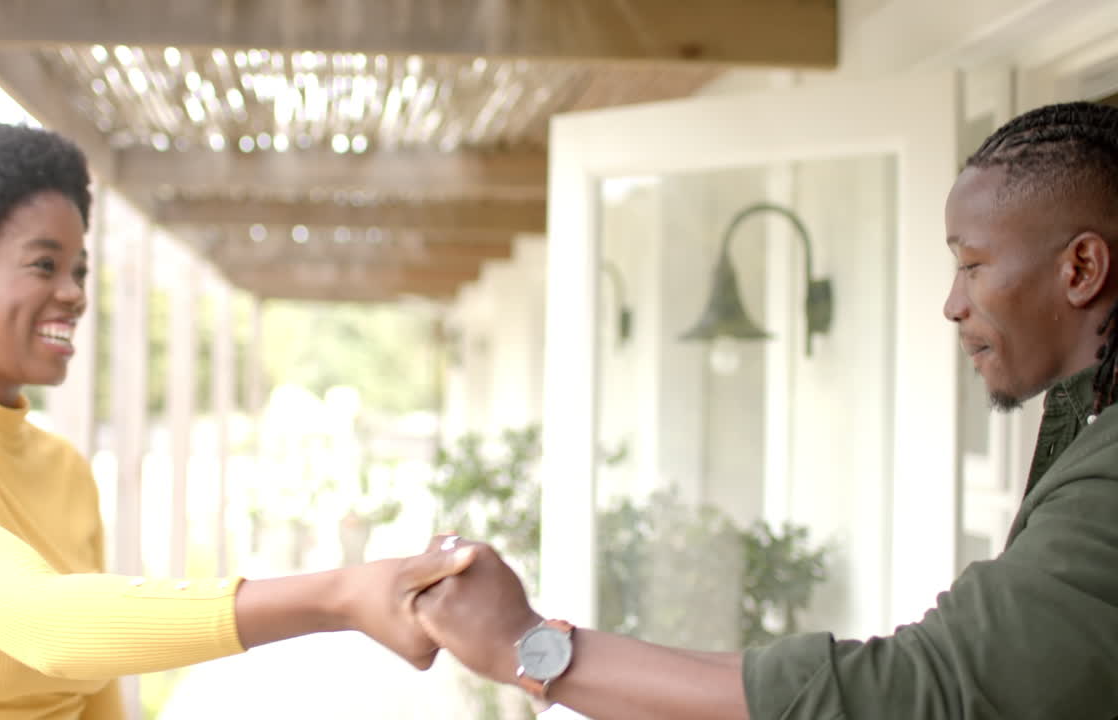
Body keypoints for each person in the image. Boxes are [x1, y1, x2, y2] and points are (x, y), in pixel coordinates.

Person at [414, 101, 1118, 719]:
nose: (952, 303)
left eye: (971, 264)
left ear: (1081, 270)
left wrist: (533, 649)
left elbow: (915, 690)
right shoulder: (1085, 413)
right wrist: (546, 646)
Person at [0, 121, 475, 718]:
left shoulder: (63, 469)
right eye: (44, 264)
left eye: (79, 270)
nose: (75, 293)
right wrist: (338, 596)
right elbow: (47, 624)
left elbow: (96, 688)